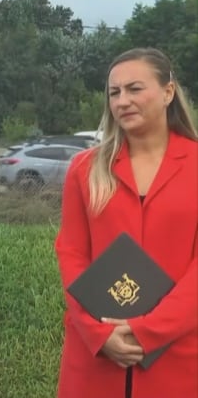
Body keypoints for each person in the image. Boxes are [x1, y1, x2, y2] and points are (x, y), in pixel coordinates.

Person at [55, 47, 198, 398]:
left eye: (135, 89)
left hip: (179, 359)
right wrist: (98, 334)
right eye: (114, 92)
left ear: (168, 92)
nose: (123, 101)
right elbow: (71, 253)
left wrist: (149, 330)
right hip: (95, 359)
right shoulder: (84, 169)